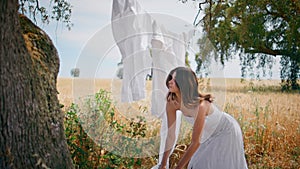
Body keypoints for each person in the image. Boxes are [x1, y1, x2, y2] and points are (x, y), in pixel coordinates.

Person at [158, 67, 248, 169]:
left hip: (226, 131)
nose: (170, 82)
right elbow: (170, 135)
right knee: (199, 164)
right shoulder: (172, 102)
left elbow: (195, 142)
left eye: (174, 80)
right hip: (209, 134)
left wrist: (178, 167)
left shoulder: (201, 105)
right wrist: (164, 163)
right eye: (170, 78)